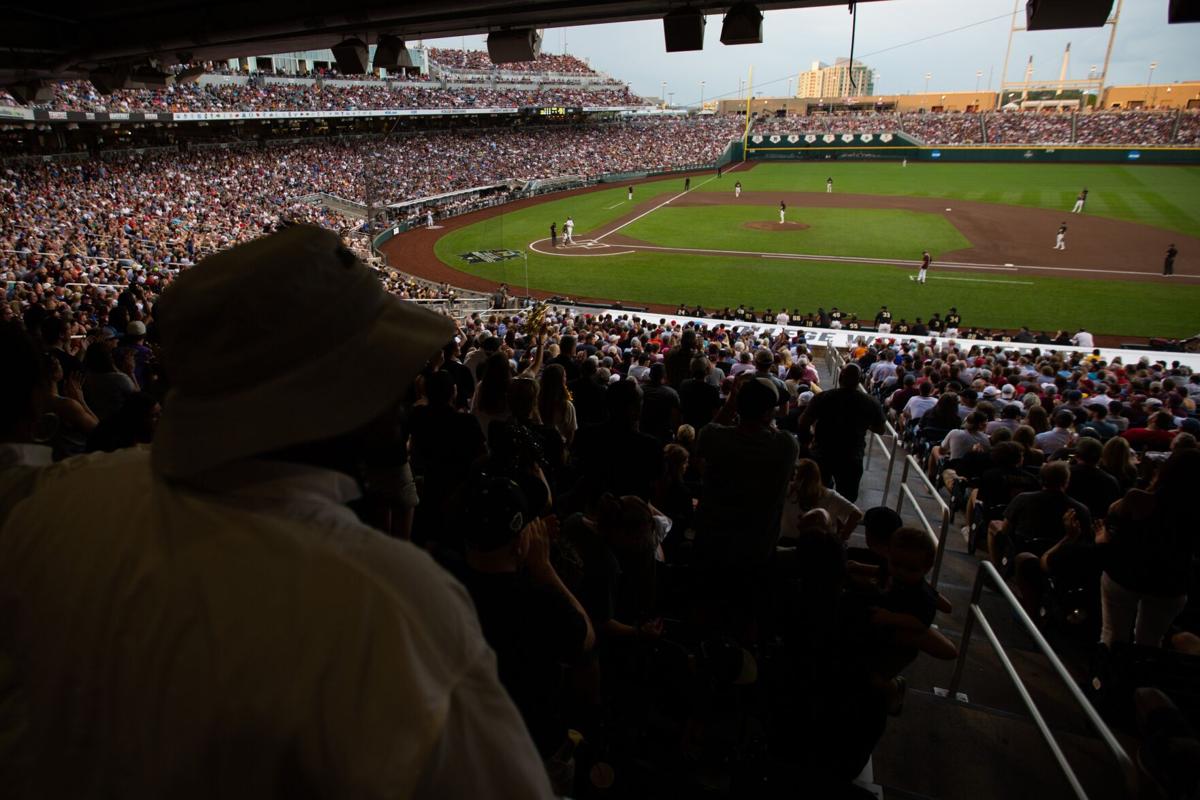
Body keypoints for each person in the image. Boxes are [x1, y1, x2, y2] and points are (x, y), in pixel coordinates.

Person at [0, 226, 555, 796]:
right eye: (384, 364)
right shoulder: (391, 602)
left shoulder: (54, 502)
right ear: (335, 387)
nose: (403, 385)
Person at [1093, 449, 1199, 647]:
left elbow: (1113, 520)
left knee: (1113, 634)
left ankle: (1108, 676)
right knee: (1150, 642)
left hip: (1124, 574)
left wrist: (1102, 539)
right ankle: (1141, 675)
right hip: (1171, 583)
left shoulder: (1138, 499)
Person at [796, 363, 886, 503]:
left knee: (817, 493)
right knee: (846, 501)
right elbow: (881, 429)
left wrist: (805, 441)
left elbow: (803, 421)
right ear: (859, 380)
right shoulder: (871, 402)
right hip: (852, 456)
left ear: (840, 378)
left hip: (823, 452)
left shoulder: (823, 397)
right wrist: (863, 423)